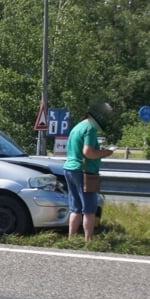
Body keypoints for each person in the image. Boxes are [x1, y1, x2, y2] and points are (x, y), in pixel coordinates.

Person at [63, 102, 115, 243]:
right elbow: (88, 152)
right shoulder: (91, 128)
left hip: (70, 169)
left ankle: (71, 240)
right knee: (89, 210)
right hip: (85, 172)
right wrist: (104, 152)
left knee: (75, 209)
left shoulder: (77, 127)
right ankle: (88, 241)